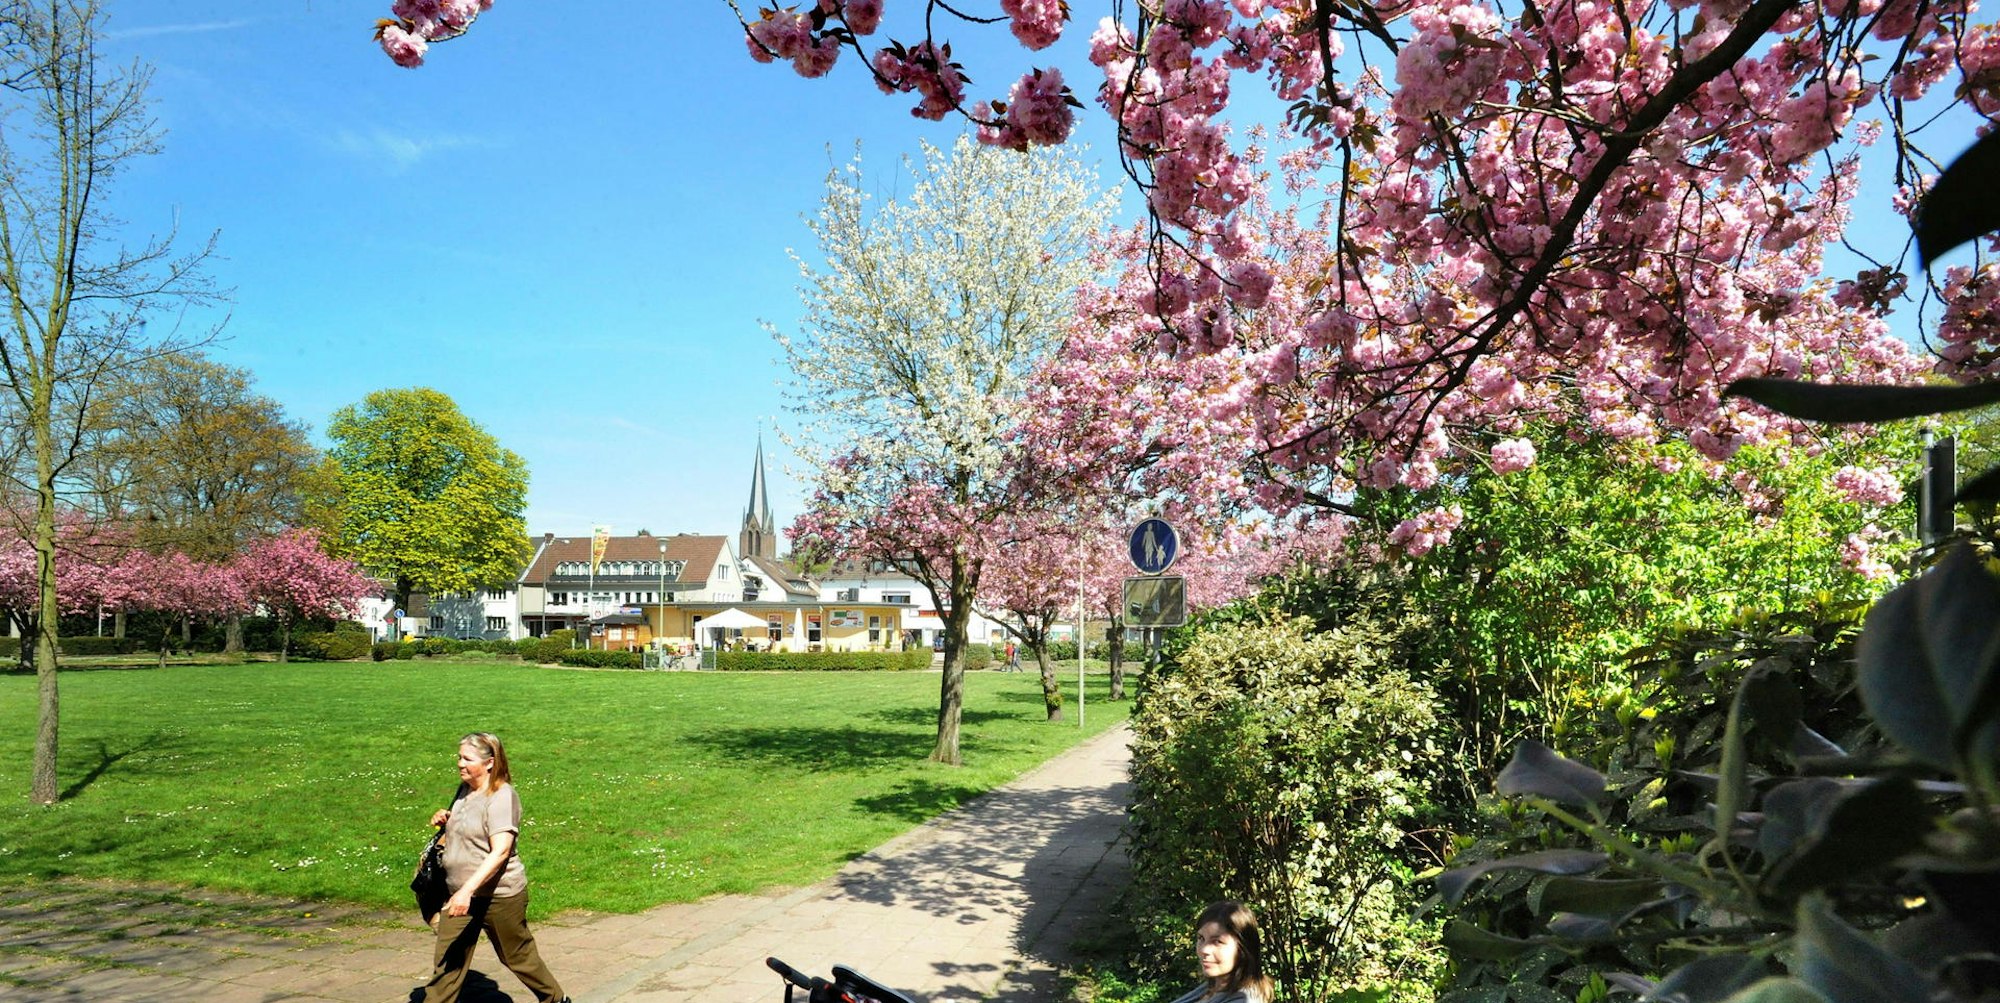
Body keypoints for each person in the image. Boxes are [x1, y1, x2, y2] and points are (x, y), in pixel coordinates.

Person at [416, 732, 570, 1003]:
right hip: (459, 895)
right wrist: (448, 819)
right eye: (459, 757)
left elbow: (500, 851)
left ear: (489, 763)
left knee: (517, 956)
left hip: (499, 896)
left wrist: (467, 891)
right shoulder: (465, 790)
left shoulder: (502, 796)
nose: (460, 764)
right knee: (448, 963)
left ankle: (555, 999)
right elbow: (473, 827)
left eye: (467, 759)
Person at [1168, 900, 1273, 1003]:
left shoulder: (1244, 999)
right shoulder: (1210, 988)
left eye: (1217, 942)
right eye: (1201, 938)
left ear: (1243, 949)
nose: (1204, 950)